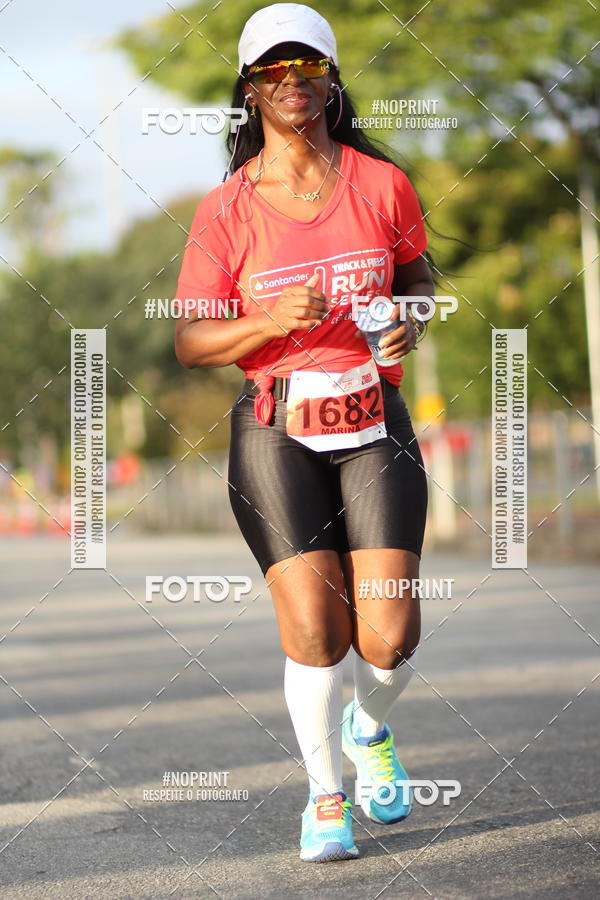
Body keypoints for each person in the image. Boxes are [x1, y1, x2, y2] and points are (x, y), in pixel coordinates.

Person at [174, 2, 434, 863]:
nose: (293, 82)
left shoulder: (382, 184)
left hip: (373, 421)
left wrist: (406, 324)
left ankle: (370, 728)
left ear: (331, 80)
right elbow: (191, 341)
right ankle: (326, 797)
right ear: (250, 88)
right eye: (274, 71)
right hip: (276, 432)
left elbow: (417, 282)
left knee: (389, 636)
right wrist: (266, 321)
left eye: (309, 67)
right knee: (317, 631)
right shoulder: (226, 210)